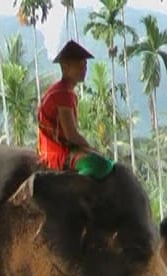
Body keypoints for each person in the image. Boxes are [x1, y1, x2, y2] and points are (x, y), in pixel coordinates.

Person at [37, 40, 113, 179]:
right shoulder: (62, 94)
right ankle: (77, 185)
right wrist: (90, 149)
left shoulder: (62, 91)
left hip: (58, 149)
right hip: (56, 154)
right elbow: (71, 135)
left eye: (85, 65)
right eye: (79, 65)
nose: (84, 69)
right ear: (65, 67)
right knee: (100, 164)